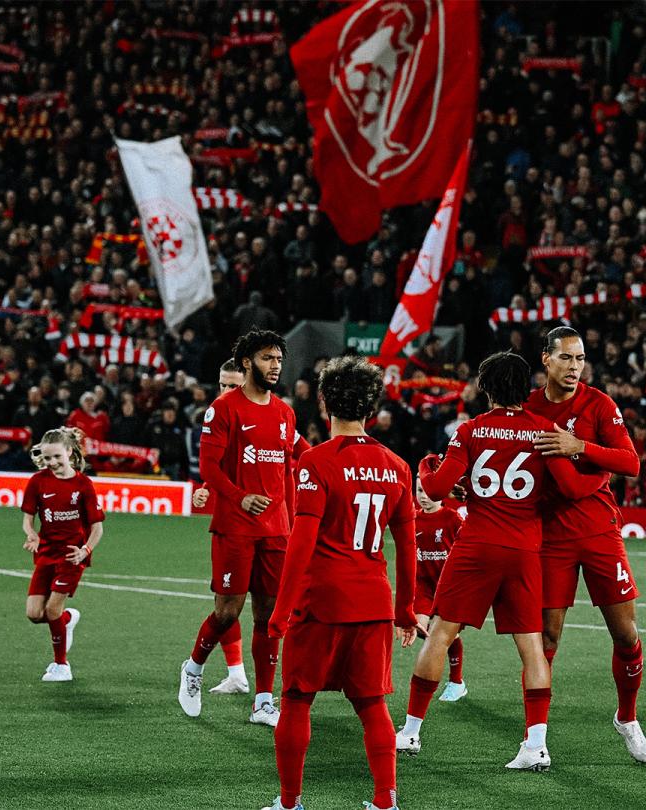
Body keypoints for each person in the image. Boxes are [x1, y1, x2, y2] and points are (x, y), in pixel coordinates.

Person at [400, 351, 606, 772]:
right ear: (525, 388)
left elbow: (438, 487)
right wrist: (601, 476)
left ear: (487, 388)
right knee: (532, 646)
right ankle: (535, 745)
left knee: (440, 634)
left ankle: (409, 731)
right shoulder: (544, 430)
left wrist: (425, 469)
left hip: (476, 546)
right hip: (524, 549)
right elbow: (568, 488)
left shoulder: (470, 430)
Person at [263, 356, 418, 810]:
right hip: (373, 601)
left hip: (321, 602)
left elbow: (300, 543)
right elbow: (406, 548)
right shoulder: (397, 466)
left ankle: (290, 803)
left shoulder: (315, 462)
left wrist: (280, 611)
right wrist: (406, 610)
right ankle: (385, 802)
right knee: (372, 705)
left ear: (325, 403)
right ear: (372, 406)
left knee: (295, 699)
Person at [527, 327, 646, 763]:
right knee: (546, 637)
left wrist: (579, 445)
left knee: (625, 634)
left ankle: (627, 717)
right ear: (546, 360)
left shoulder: (599, 403)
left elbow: (631, 462)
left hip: (600, 532)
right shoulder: (529, 409)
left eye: (581, 359)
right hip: (551, 537)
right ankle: (535, 739)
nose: (575, 367)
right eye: (566, 358)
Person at [179, 331, 308, 726]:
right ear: (248, 361)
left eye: (279, 360)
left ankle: (263, 702)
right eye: (268, 358)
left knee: (270, 616)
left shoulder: (285, 413)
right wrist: (239, 498)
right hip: (235, 525)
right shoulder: (224, 409)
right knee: (228, 612)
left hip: (277, 529)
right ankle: (194, 667)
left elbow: (299, 460)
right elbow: (210, 468)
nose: (275, 366)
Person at [20, 427, 105, 683]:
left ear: (69, 452)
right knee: (35, 614)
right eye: (47, 458)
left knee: (52, 608)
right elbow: (27, 519)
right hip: (46, 553)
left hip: (71, 555)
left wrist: (85, 550)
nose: (52, 463)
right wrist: (32, 534)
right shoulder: (38, 481)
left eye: (57, 456)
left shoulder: (83, 485)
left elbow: (98, 527)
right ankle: (67, 621)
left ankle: (61, 665)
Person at [191, 359, 250, 695]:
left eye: (233, 385)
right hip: (234, 519)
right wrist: (207, 488)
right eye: (222, 384)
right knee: (228, 603)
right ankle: (238, 674)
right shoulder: (220, 414)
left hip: (267, 519)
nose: (225, 392)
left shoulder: (267, 413)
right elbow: (220, 463)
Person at [412, 459, 469, 702]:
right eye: (419, 491)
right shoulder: (412, 520)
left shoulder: (453, 519)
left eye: (426, 490)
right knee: (423, 629)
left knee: (441, 634)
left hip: (448, 587)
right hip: (424, 587)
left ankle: (456, 682)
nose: (423, 496)